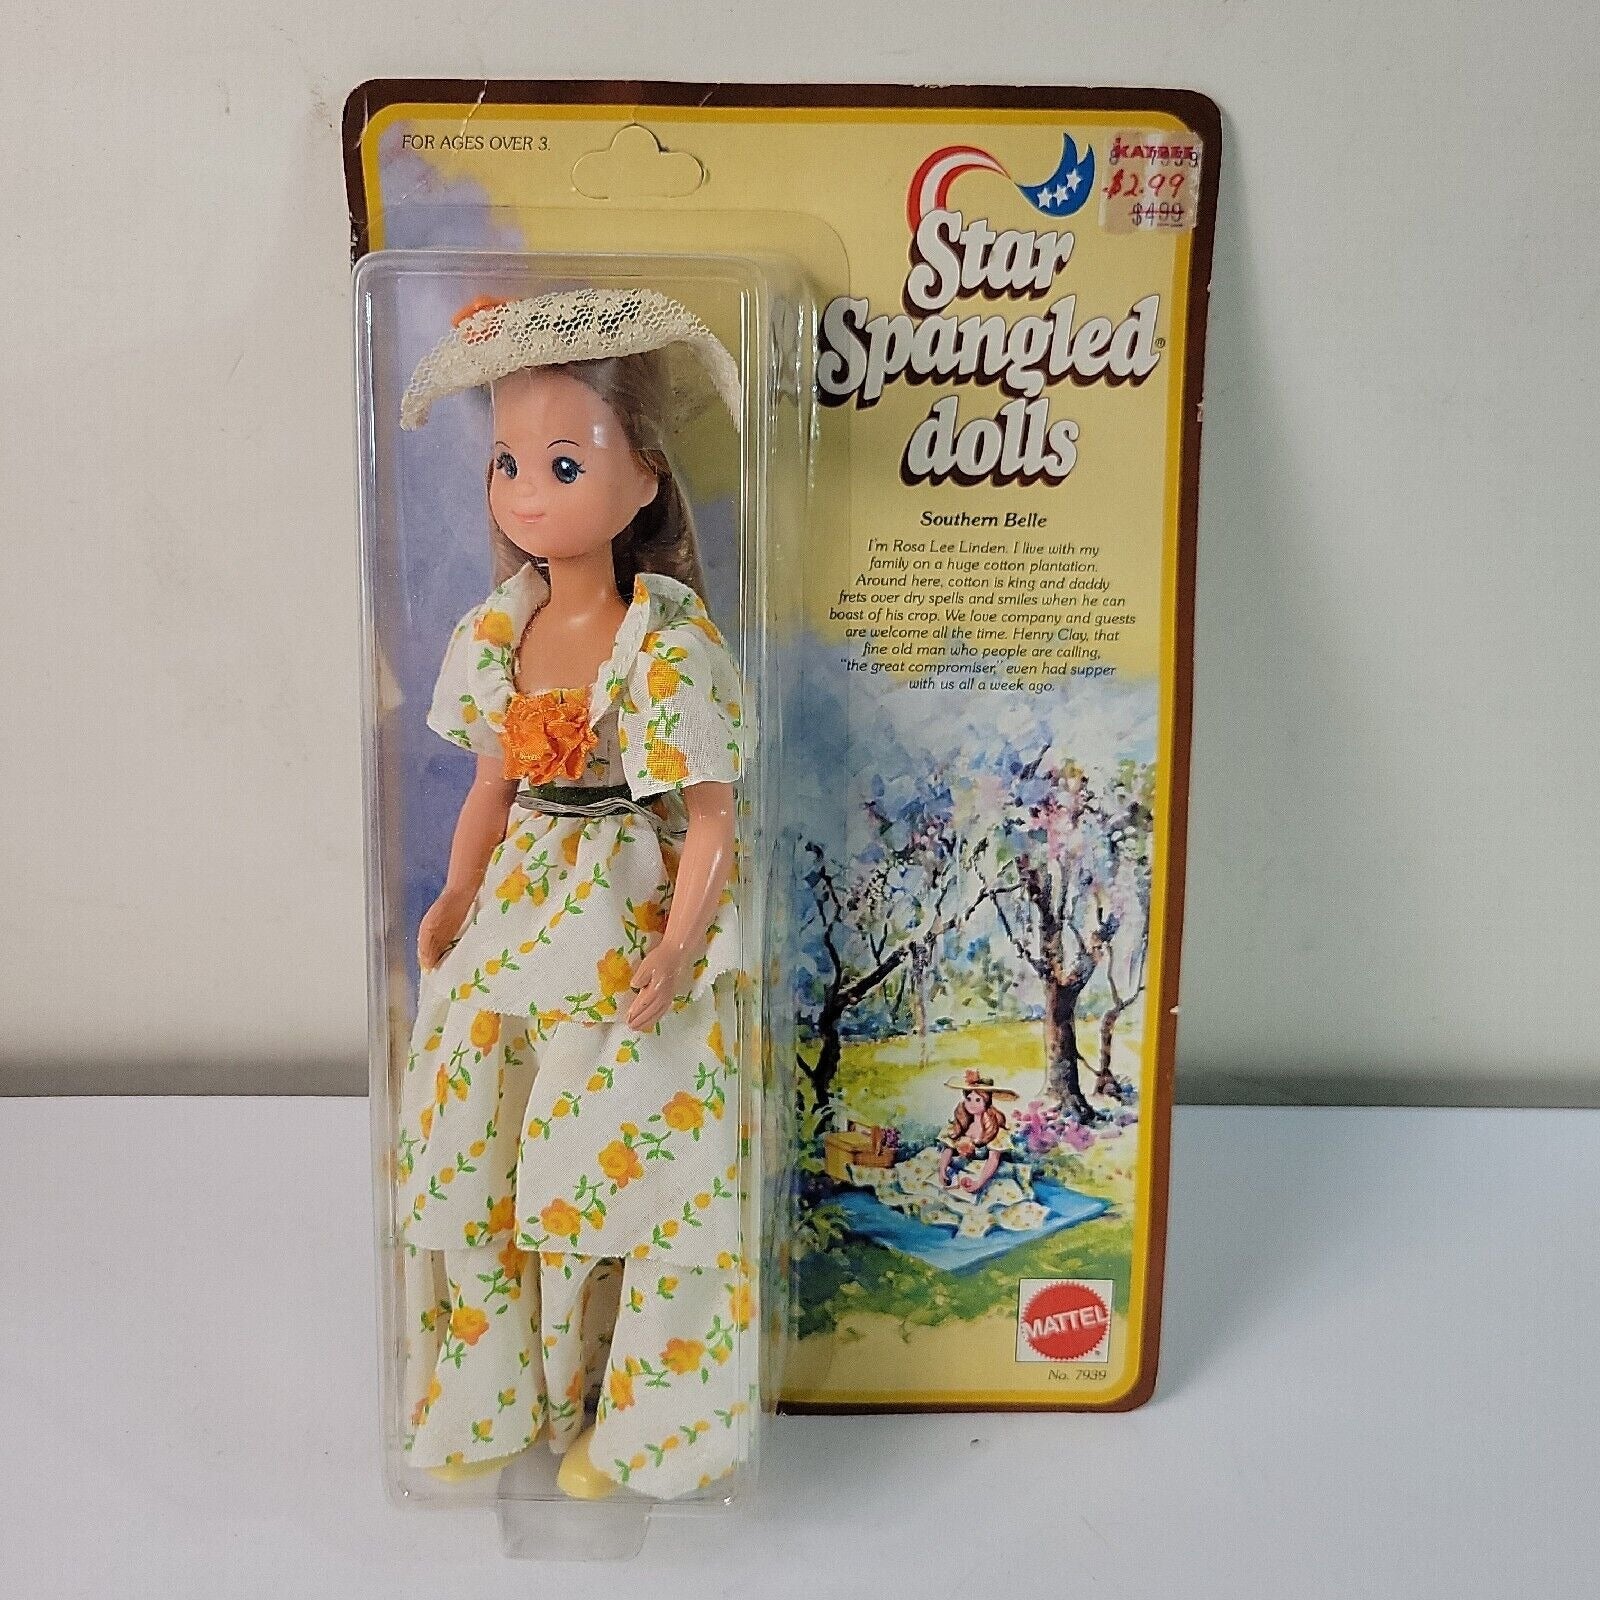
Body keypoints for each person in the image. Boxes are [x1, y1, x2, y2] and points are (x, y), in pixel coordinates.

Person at [390, 288, 753, 1501]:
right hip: (517, 910)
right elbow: (490, 787)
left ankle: (637, 1417)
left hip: (625, 907)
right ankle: (496, 1393)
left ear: (643, 476)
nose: (528, 494)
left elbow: (712, 816)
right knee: (485, 1135)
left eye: (562, 462)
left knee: (637, 1152)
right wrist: (456, 890)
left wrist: (677, 946)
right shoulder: (500, 630)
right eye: (507, 463)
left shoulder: (667, 645)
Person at [936, 1070, 1020, 1197]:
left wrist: (979, 1182)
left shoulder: (995, 1130)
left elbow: (993, 1159)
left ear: (986, 1101)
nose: (972, 1104)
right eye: (969, 1099)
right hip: (960, 1169)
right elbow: (948, 1149)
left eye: (977, 1100)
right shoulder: (961, 1125)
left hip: (982, 1172)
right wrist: (942, 1169)